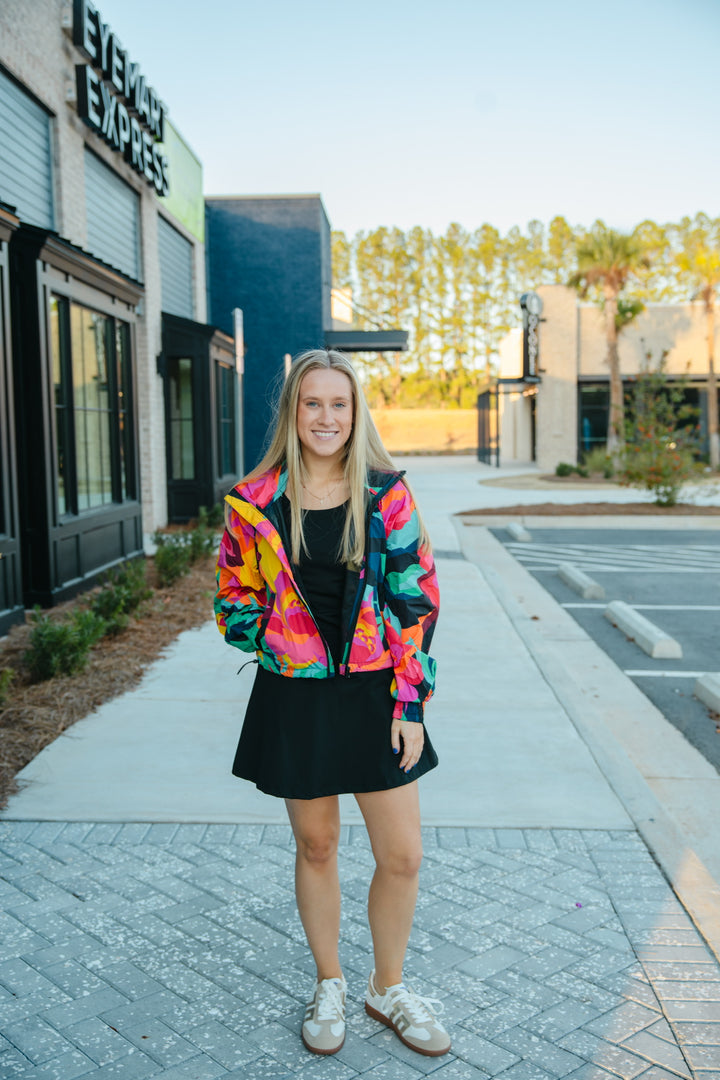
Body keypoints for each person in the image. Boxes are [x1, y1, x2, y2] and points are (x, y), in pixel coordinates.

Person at [214, 348, 450, 1058]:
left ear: (356, 413)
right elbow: (231, 602)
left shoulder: (386, 495)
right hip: (296, 695)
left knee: (402, 855)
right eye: (312, 403)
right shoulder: (254, 503)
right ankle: (331, 983)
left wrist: (410, 703)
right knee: (317, 845)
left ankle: (388, 988)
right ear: (293, 412)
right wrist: (281, 643)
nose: (326, 417)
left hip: (376, 692)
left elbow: (419, 600)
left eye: (338, 404)